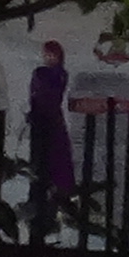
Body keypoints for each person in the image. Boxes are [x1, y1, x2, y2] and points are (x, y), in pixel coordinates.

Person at [28, 37, 77, 225]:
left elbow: (49, 94)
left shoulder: (58, 74)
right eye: (46, 54)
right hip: (41, 120)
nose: (48, 57)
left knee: (57, 156)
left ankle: (58, 191)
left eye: (52, 53)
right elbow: (35, 94)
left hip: (51, 120)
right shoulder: (42, 72)